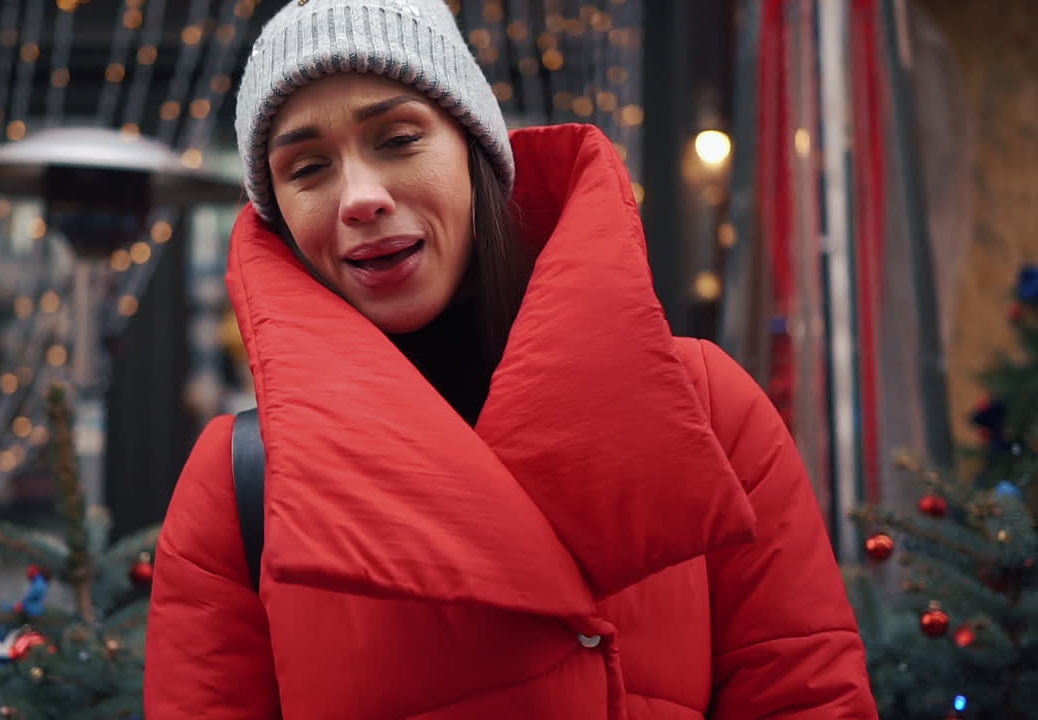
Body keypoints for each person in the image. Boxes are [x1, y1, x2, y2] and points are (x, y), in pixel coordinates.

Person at [145, 0, 878, 717]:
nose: (360, 198)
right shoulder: (241, 484)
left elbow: (805, 697)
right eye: (307, 169)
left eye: (398, 139)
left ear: (475, 153)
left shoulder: (706, 408)